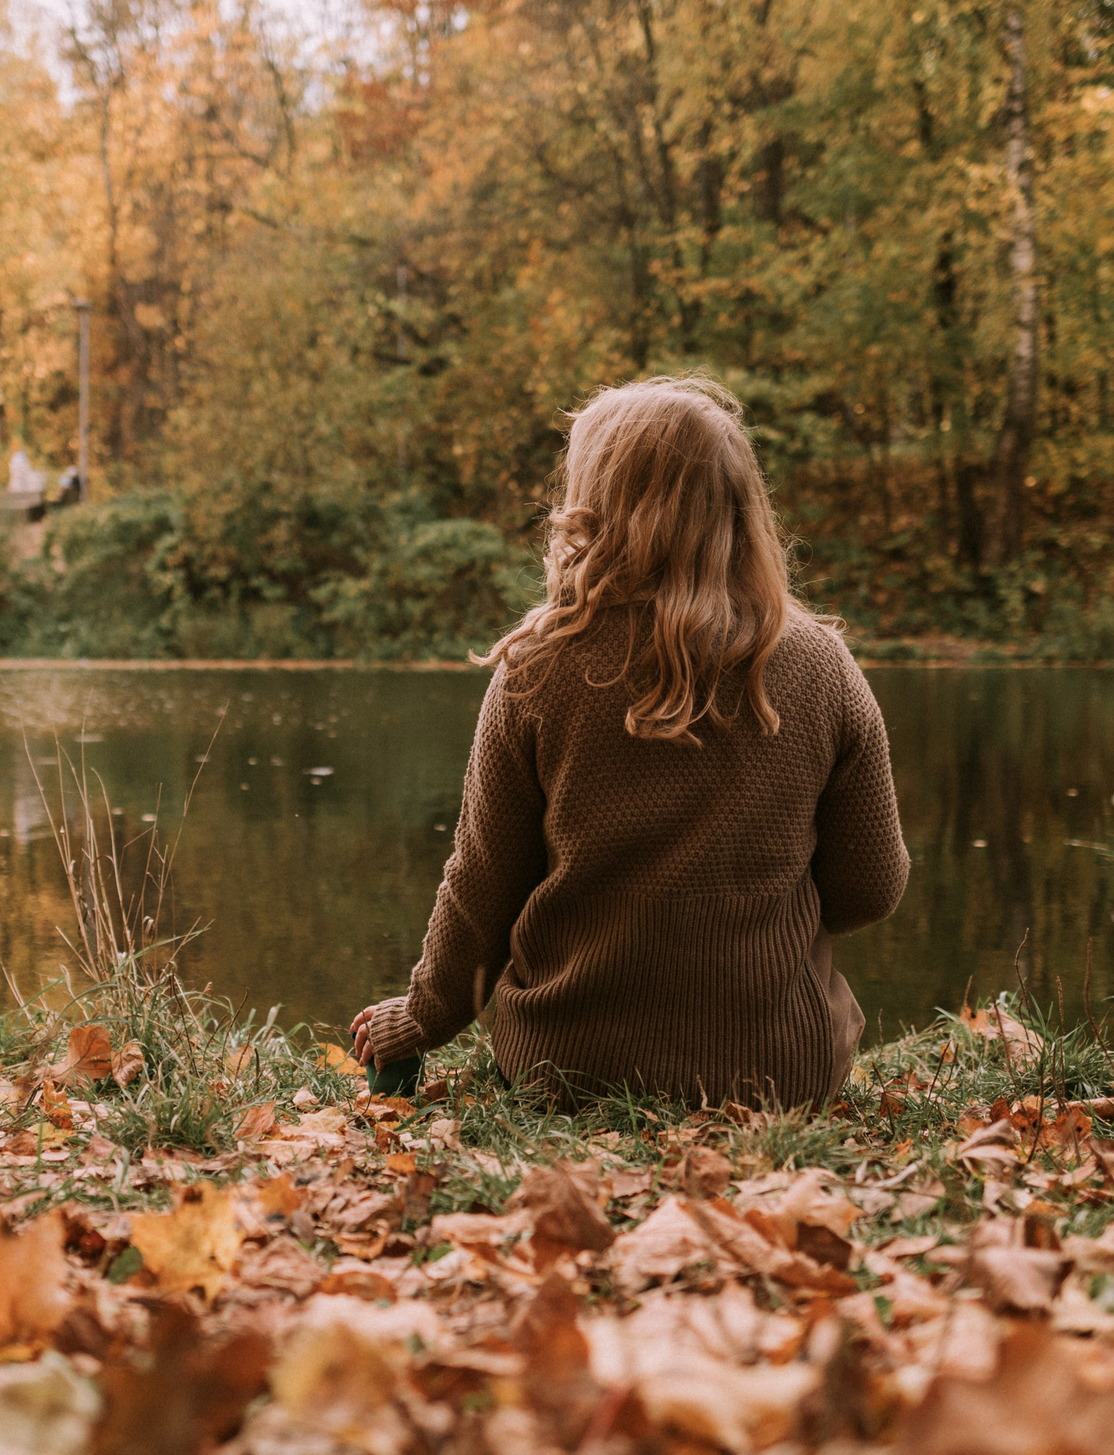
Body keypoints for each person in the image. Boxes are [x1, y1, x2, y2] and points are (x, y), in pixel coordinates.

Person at [350, 376, 908, 1109]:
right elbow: (872, 885)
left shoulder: (537, 669)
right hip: (780, 1073)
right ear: (741, 510)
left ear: (595, 506)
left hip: (570, 1068)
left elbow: (482, 885)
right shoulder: (819, 665)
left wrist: (423, 1015)